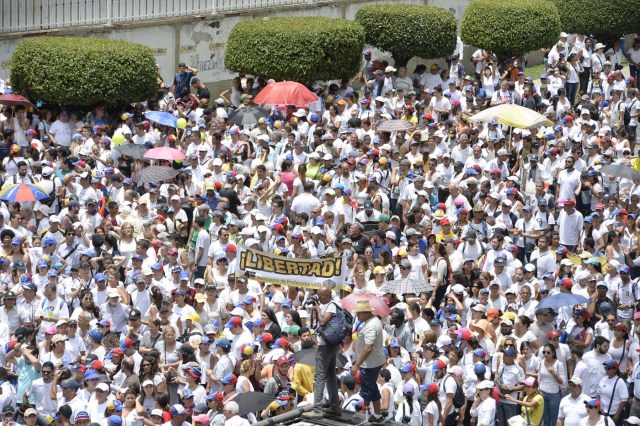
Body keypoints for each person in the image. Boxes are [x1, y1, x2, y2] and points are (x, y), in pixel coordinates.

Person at [351, 299, 385, 424]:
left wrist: (356, 365)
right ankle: (377, 415)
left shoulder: (371, 325)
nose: (358, 316)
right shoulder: (370, 322)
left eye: (359, 313)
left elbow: (368, 348)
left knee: (367, 390)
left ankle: (368, 417)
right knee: (372, 388)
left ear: (366, 312)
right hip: (371, 362)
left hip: (369, 364)